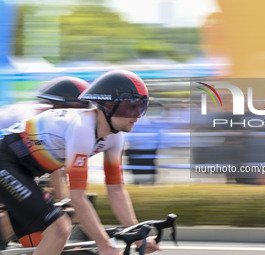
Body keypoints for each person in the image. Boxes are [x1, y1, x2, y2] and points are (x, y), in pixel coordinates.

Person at [0, 70, 160, 255]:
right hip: (5, 161)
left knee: (42, 244)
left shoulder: (114, 138)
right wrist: (104, 245)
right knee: (59, 229)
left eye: (142, 107)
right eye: (131, 107)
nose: (138, 115)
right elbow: (78, 197)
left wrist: (138, 237)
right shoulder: (82, 128)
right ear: (108, 106)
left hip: (22, 170)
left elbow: (116, 190)